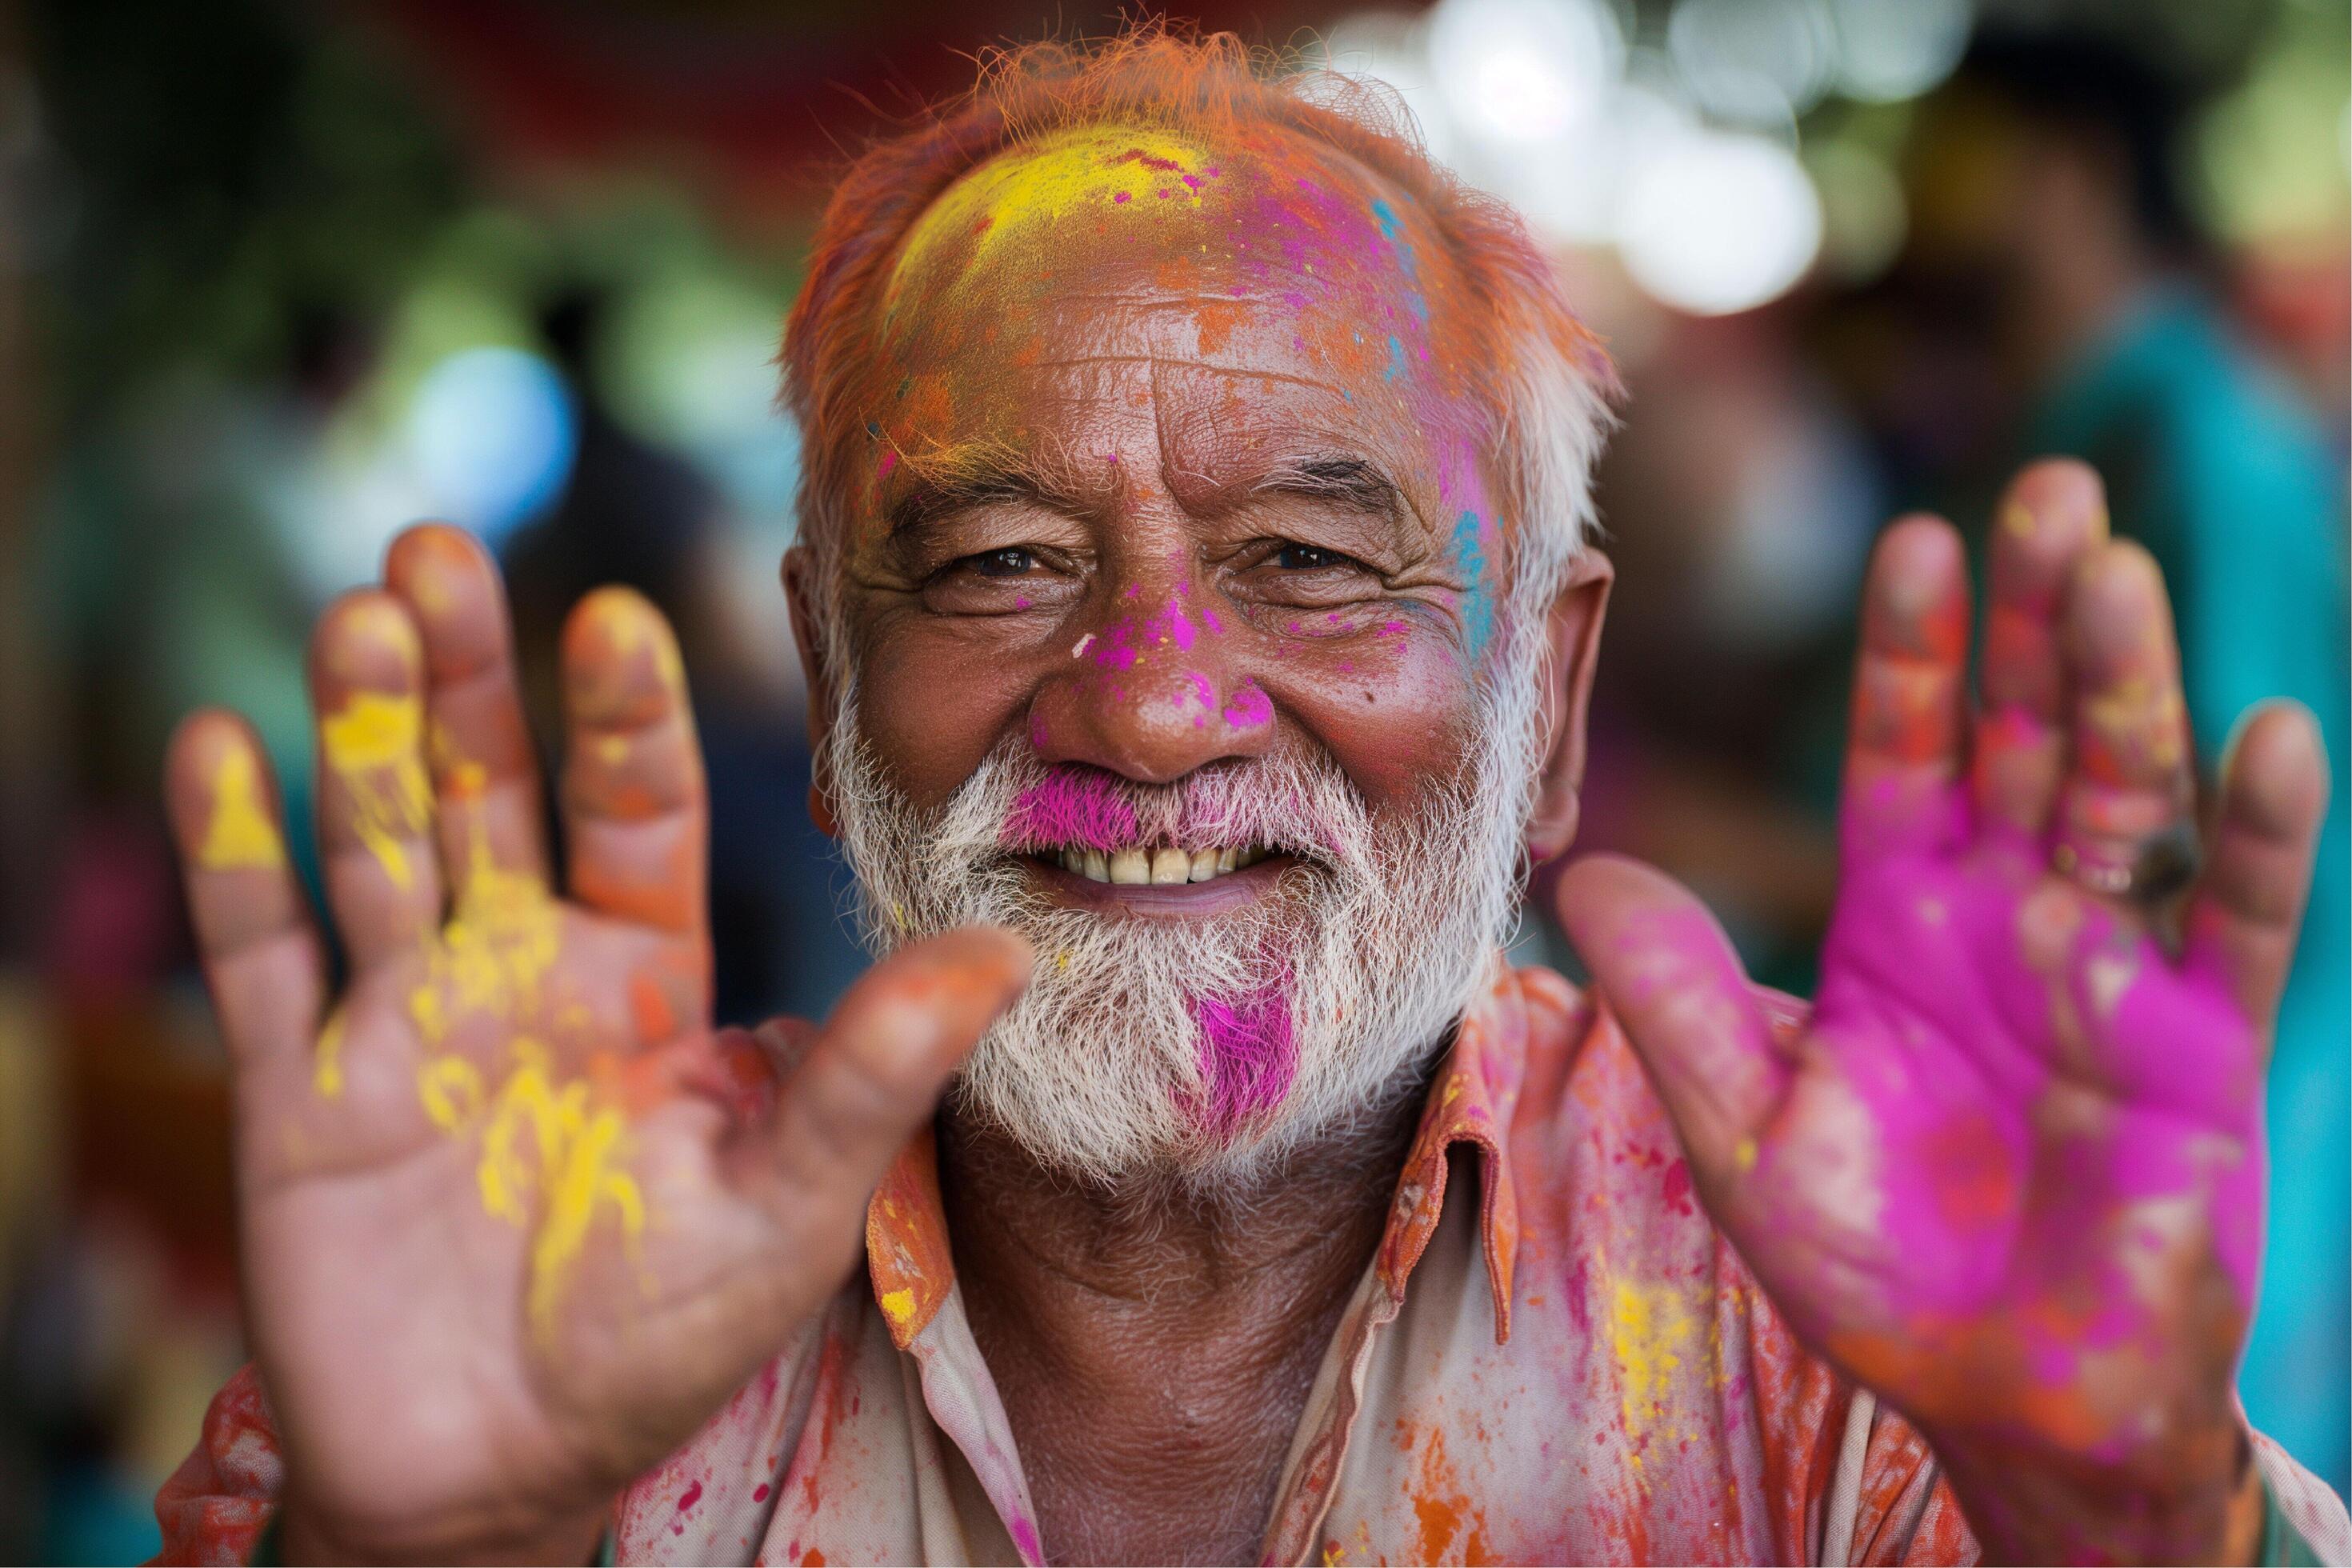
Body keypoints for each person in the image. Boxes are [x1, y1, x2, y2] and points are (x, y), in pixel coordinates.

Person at [151, 30, 2349, 1566]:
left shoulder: (1859, 1299)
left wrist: (2134, 1542)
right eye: (1006, 564)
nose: (1157, 709)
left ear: (1549, 698)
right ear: (826, 685)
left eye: (1310, 561)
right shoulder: (543, 1276)